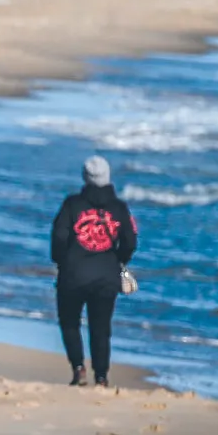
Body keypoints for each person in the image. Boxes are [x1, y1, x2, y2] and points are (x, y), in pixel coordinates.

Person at [50, 157, 137, 388]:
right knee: (101, 328)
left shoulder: (72, 205)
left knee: (69, 323)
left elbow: (59, 237)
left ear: (85, 178)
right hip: (106, 277)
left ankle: (78, 369)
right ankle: (101, 377)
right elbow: (130, 241)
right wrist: (119, 260)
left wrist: (61, 261)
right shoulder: (119, 208)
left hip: (73, 274)